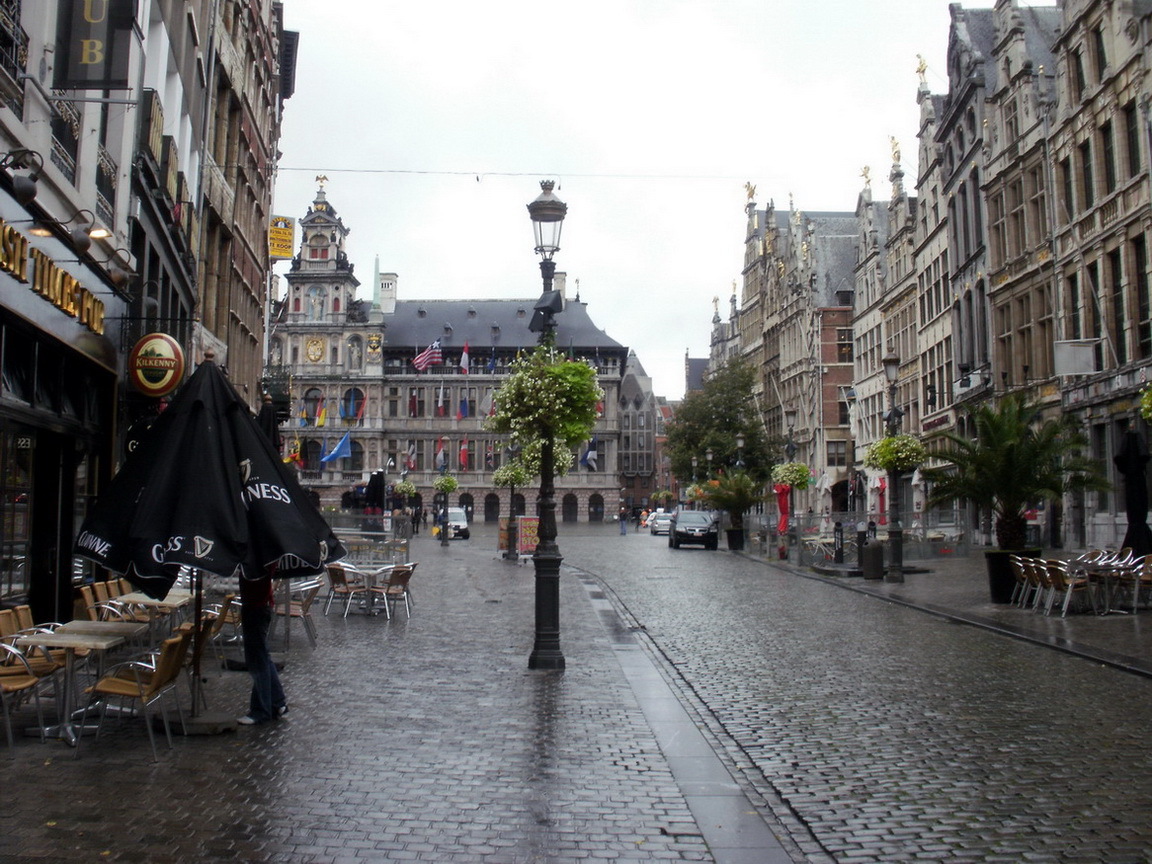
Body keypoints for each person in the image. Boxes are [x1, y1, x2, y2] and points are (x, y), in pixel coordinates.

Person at [238, 570, 287, 725]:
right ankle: (277, 703)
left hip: (255, 607)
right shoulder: (260, 556)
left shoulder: (257, 559)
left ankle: (260, 711)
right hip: (258, 605)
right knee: (263, 657)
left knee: (257, 660)